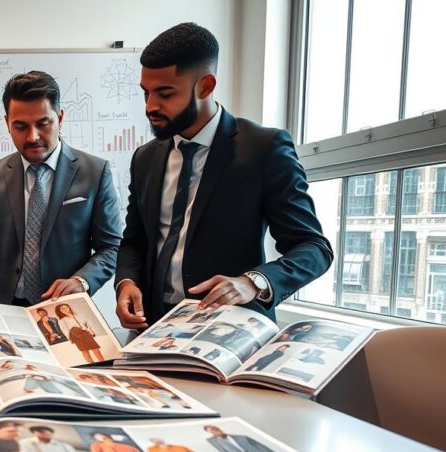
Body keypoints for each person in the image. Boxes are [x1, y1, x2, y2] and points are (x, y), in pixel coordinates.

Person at [115, 23, 332, 331]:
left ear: (205, 86)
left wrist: (253, 282)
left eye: (164, 94)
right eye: (146, 93)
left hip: (230, 330)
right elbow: (134, 242)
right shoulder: (145, 158)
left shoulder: (263, 148)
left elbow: (313, 248)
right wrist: (126, 282)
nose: (150, 106)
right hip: (151, 327)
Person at [0, 71, 121, 307]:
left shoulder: (95, 172)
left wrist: (82, 281)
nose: (32, 136)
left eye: (43, 124)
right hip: (4, 307)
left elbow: (111, 247)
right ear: (7, 124)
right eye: (20, 126)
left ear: (60, 118)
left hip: (67, 306)